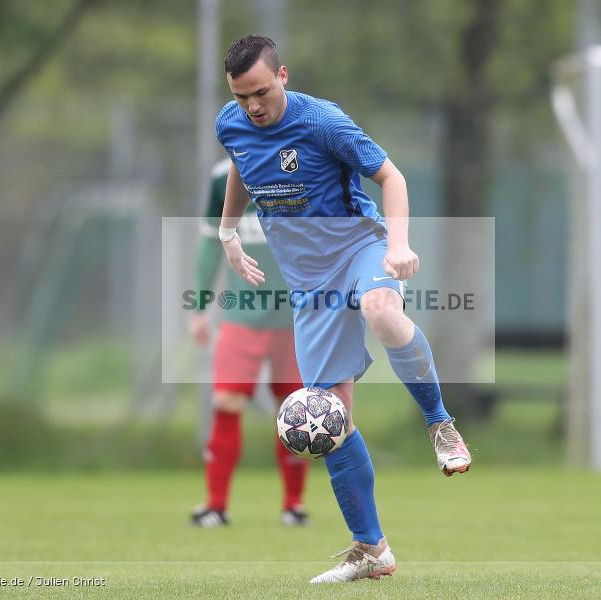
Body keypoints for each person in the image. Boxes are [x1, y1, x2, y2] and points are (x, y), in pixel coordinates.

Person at [215, 36, 472, 583]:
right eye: (242, 97)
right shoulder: (231, 123)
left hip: (361, 247)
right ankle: (372, 549)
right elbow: (240, 162)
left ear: (283, 75)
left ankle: (440, 423)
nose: (253, 106)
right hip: (309, 285)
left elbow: (392, 177)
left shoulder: (322, 121)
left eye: (261, 92)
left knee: (381, 309)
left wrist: (398, 245)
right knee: (328, 420)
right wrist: (228, 232)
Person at [189, 157, 310, 528]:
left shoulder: (303, 165)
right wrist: (199, 308)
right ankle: (216, 506)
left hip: (296, 316)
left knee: (294, 411)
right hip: (242, 315)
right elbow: (211, 242)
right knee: (226, 400)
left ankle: (293, 506)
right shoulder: (222, 177)